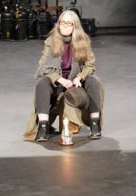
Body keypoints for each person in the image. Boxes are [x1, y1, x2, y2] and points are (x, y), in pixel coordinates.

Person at [23, 10, 104, 142]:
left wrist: (80, 77)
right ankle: (43, 127)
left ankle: (95, 124)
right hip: (58, 82)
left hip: (76, 83)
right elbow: (43, 66)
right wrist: (60, 79)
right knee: (42, 83)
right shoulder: (51, 41)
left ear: (75, 26)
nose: (64, 25)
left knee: (93, 81)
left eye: (68, 23)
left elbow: (90, 65)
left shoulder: (83, 41)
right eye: (62, 22)